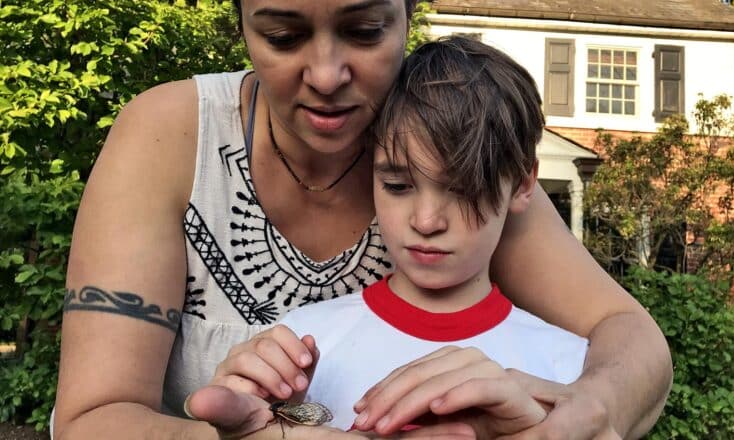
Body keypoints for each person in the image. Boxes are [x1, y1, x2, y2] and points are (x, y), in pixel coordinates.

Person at [53, 0, 672, 439]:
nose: (326, 76)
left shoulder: (451, 136)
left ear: (406, 17)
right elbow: (91, 418)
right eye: (283, 35)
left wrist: (586, 410)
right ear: (240, 24)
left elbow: (629, 338)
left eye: (366, 29)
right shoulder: (169, 138)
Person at [188, 35, 592, 437]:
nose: (427, 220)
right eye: (398, 185)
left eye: (464, 189)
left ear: (522, 185)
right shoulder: (297, 346)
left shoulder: (571, 369)